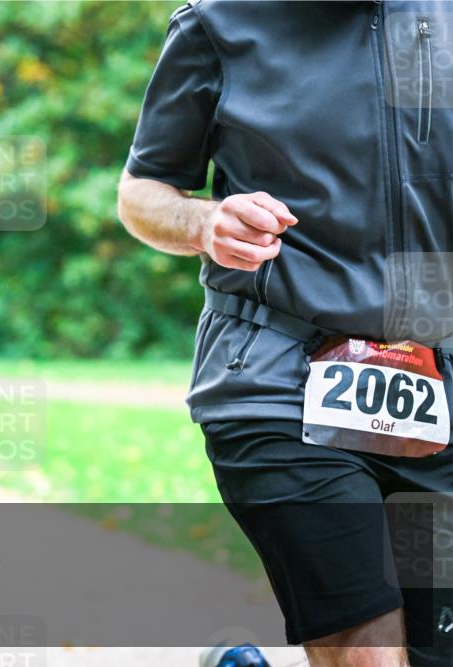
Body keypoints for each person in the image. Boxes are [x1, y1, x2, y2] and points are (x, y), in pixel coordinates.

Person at [117, 2, 451, 667]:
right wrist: (204, 223)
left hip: (436, 393)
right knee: (368, 655)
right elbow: (141, 191)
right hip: (278, 379)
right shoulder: (219, 23)